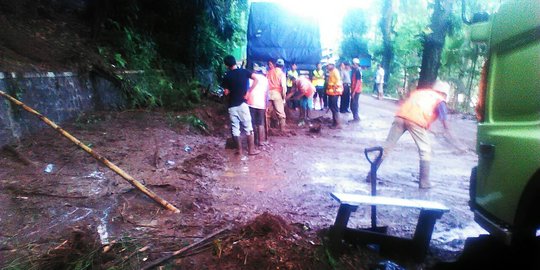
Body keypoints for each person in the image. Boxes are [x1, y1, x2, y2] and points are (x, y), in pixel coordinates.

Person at [367, 80, 464, 189]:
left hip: (400, 117)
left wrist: (431, 129)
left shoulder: (421, 93)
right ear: (445, 93)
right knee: (425, 150)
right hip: (415, 121)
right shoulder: (440, 100)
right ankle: (424, 182)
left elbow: (418, 109)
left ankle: (371, 175)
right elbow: (446, 125)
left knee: (387, 147)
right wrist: (458, 144)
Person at [221, 55, 260, 156]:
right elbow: (256, 79)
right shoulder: (244, 72)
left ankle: (239, 150)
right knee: (248, 127)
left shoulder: (227, 76)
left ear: (226, 65)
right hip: (243, 104)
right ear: (235, 62)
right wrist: (248, 92)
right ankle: (251, 151)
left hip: (232, 106)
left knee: (235, 128)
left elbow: (226, 92)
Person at [247, 64, 269, 146]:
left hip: (251, 102)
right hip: (261, 104)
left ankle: (253, 141)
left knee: (252, 123)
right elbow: (267, 94)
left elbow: (247, 90)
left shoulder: (250, 78)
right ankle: (260, 141)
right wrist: (267, 105)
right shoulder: (265, 80)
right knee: (260, 123)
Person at [266, 58, 287, 131]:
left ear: (276, 64)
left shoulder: (269, 72)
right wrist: (284, 97)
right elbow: (283, 87)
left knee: (267, 113)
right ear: (283, 66)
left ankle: (267, 129)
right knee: (280, 113)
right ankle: (282, 129)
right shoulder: (281, 74)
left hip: (268, 93)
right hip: (277, 93)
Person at [325, 59, 343, 128]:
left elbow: (338, 81)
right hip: (331, 92)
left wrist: (334, 89)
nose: (327, 67)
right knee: (332, 106)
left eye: (328, 65)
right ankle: (334, 122)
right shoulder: (331, 71)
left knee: (334, 107)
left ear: (332, 65)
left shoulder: (335, 72)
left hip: (335, 92)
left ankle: (337, 123)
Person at [349, 58, 363, 123]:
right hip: (354, 90)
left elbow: (358, 82)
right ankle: (355, 117)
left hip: (356, 91)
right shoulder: (354, 71)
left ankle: (356, 117)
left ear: (356, 64)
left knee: (354, 104)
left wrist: (354, 91)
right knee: (352, 104)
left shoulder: (358, 71)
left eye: (353, 64)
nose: (352, 65)